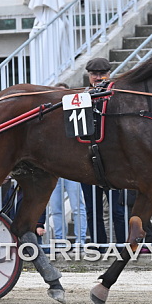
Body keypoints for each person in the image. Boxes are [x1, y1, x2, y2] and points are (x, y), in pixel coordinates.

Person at [80, 58, 127, 245]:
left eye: (102, 74)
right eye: (94, 74)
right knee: (93, 210)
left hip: (114, 162)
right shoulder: (81, 98)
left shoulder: (117, 95)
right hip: (88, 160)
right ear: (89, 76)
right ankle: (99, 247)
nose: (98, 77)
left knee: (118, 210)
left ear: (109, 74)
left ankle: (123, 247)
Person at [47, 83, 88, 247]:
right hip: (54, 169)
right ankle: (60, 242)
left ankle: (80, 241)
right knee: (56, 208)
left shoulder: (76, 114)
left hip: (71, 167)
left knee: (77, 207)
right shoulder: (50, 116)